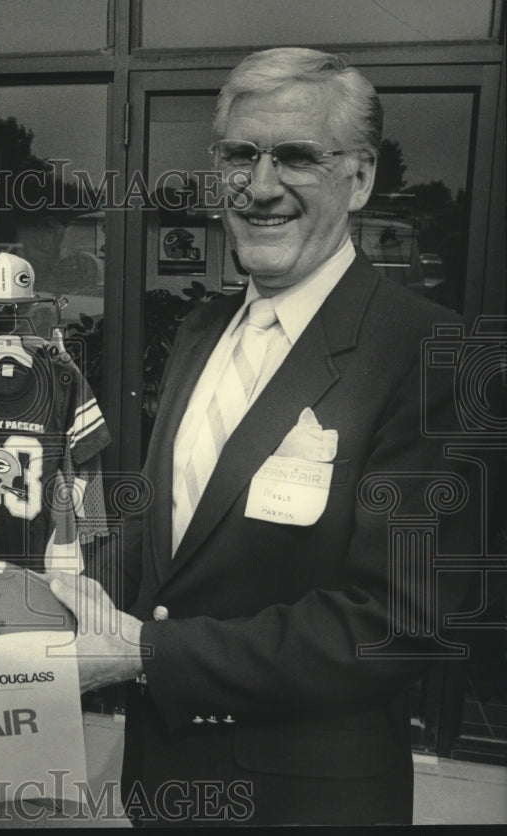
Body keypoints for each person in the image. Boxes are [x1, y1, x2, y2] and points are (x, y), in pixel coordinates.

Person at [49, 48, 476, 826]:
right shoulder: (202, 328)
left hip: (305, 801)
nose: (263, 184)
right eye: (240, 155)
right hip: (163, 782)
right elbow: (173, 535)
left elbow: (400, 625)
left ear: (361, 178)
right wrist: (56, 605)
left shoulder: (428, 354)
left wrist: (147, 655)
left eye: (299, 156)